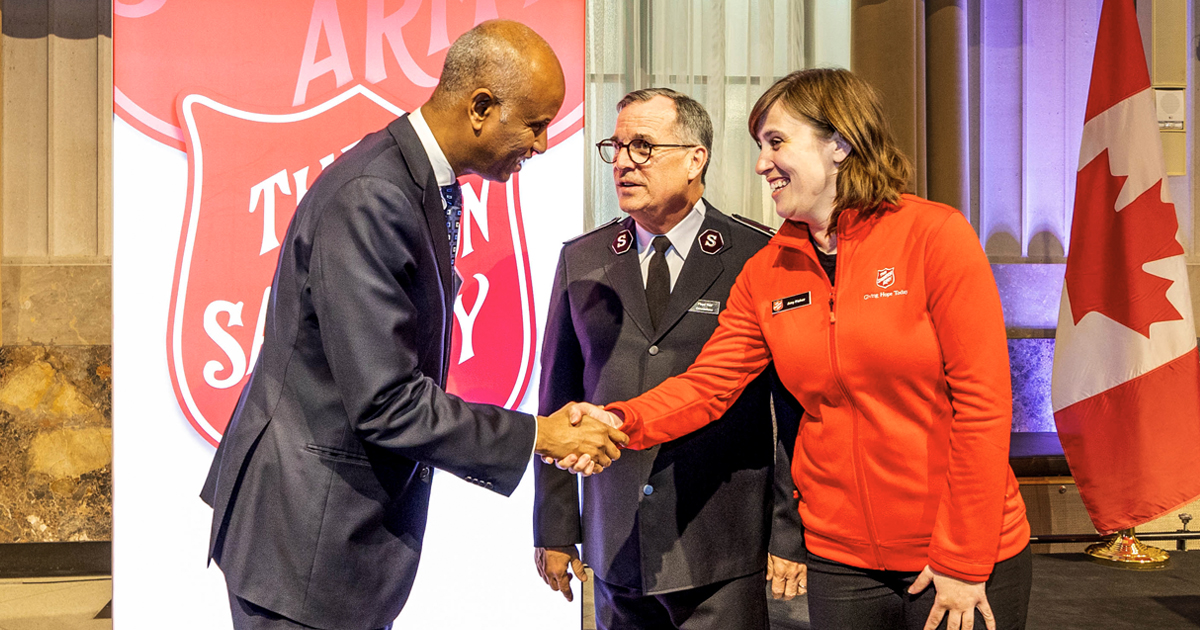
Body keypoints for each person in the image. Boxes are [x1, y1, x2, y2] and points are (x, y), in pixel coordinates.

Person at [567, 68, 1033, 630]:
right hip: (842, 562)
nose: (762, 163)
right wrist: (618, 419)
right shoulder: (768, 270)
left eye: (776, 142)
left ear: (839, 143)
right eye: (760, 146)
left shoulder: (935, 236)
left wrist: (963, 554)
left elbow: (984, 406)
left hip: (957, 554)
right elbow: (709, 384)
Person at [200, 21, 627, 630]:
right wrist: (540, 436)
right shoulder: (374, 194)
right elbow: (387, 403)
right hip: (303, 541)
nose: (543, 142)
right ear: (480, 107)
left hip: (327, 535)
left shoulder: (416, 179)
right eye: (534, 123)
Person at [532, 88, 807, 630]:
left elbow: (789, 411)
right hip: (617, 543)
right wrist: (555, 527)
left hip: (720, 543)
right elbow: (557, 400)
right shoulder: (582, 258)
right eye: (616, 146)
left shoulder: (757, 254)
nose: (624, 162)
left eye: (644, 146)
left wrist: (789, 530)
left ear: (695, 158)